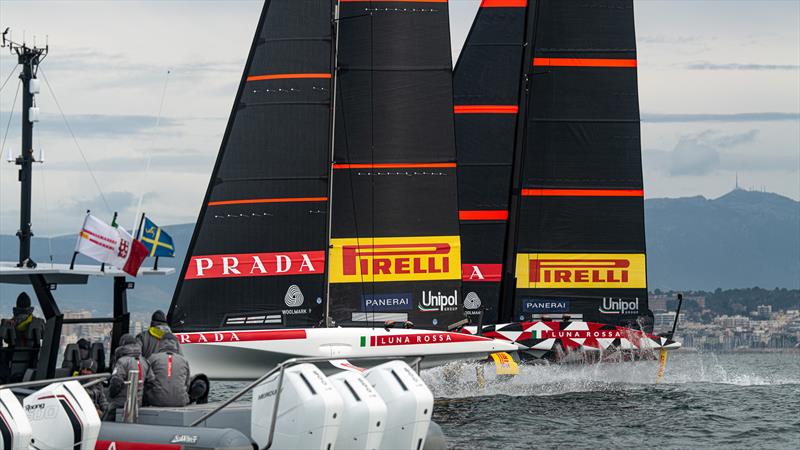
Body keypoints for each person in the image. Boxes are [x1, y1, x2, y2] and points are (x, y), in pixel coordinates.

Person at [106, 334, 152, 421]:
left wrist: (111, 396)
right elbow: (151, 382)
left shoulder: (122, 361)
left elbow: (116, 382)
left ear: (122, 345)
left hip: (121, 403)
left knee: (105, 420)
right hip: (139, 403)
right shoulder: (145, 361)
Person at [144, 333, 190, 407]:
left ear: (160, 344)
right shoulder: (183, 360)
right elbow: (187, 383)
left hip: (156, 401)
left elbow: (146, 379)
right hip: (180, 401)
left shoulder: (153, 358)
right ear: (175, 345)